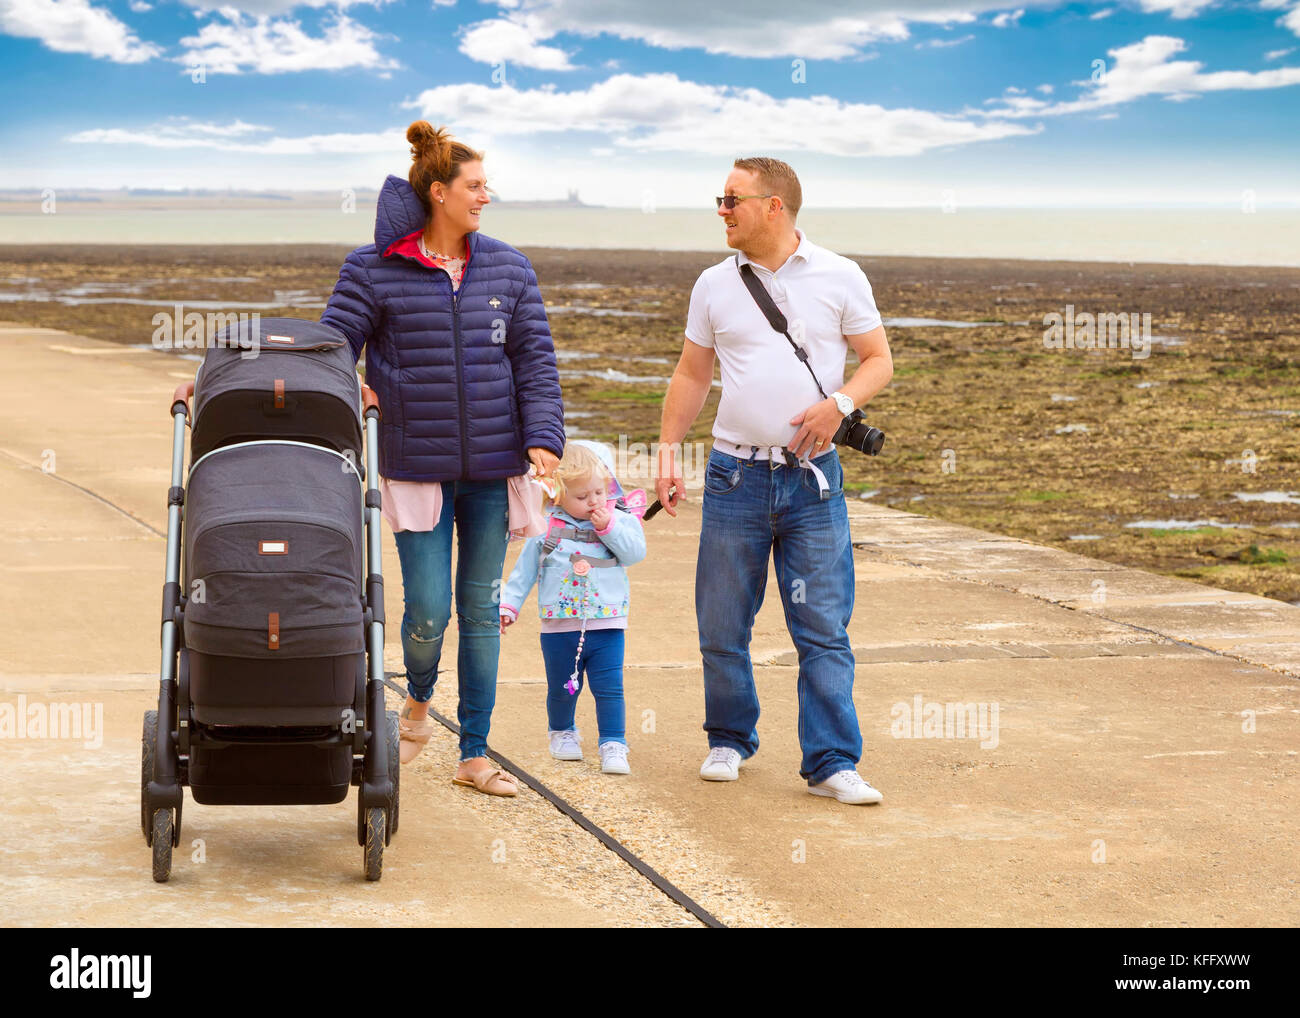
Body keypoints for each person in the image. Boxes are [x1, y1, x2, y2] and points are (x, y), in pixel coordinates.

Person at [321, 121, 564, 797]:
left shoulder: (509, 268)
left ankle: (476, 754)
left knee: (481, 611)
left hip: (494, 469)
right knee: (427, 612)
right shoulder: (373, 269)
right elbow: (333, 345)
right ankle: (420, 700)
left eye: (487, 185)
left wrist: (544, 438)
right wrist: (355, 382)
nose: (487, 196)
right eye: (476, 186)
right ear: (440, 193)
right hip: (415, 467)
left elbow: (536, 361)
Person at [654, 156, 894, 805]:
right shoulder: (713, 284)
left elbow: (877, 360)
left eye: (732, 200)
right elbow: (692, 374)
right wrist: (668, 451)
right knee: (723, 622)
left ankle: (832, 763)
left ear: (774, 206)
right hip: (735, 475)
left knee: (822, 625)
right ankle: (729, 739)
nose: (722, 211)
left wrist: (838, 406)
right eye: (720, 199)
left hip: (814, 482)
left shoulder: (840, 276)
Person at [499, 441, 646, 775]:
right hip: (559, 626)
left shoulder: (618, 518)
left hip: (607, 621)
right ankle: (562, 731)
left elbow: (635, 554)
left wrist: (607, 527)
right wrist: (508, 605)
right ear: (558, 495)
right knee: (564, 686)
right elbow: (525, 572)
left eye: (598, 492)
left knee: (610, 688)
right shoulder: (546, 526)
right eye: (582, 497)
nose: (593, 501)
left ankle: (613, 742)